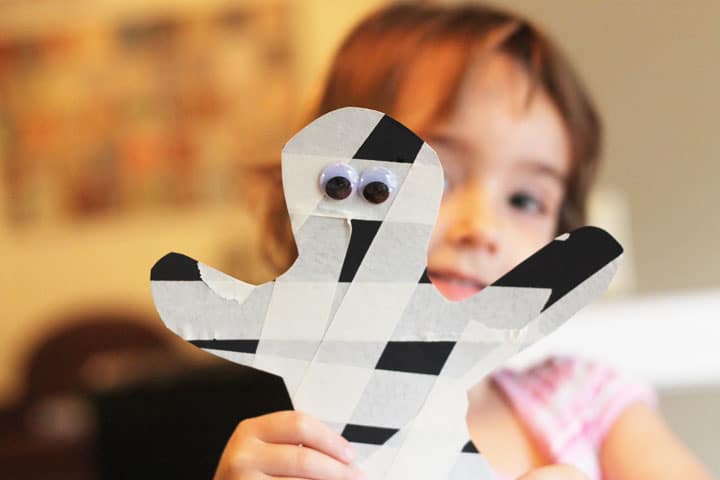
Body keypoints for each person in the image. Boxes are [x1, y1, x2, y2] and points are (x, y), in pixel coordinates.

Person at [214, 3, 713, 480]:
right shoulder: (301, 453)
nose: (482, 228)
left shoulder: (588, 402)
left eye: (523, 200)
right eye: (438, 177)